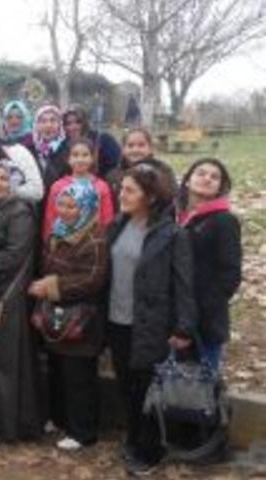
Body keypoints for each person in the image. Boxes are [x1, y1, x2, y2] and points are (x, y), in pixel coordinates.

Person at [105, 164, 197, 475]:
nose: (122, 195)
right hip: (117, 321)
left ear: (151, 197)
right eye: (121, 189)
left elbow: (185, 286)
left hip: (150, 325)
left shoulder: (173, 235)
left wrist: (183, 327)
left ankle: (150, 451)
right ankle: (134, 439)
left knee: (148, 389)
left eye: (129, 190)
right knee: (127, 386)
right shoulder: (117, 224)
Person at [29, 181, 108, 450]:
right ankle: (60, 419)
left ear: (86, 207)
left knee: (79, 377)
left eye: (72, 206)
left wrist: (51, 287)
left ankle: (83, 431)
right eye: (61, 204)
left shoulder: (94, 238)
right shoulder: (57, 231)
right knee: (57, 369)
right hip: (58, 315)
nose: (65, 210)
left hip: (82, 317)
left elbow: (92, 279)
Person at [0, 161, 43, 442]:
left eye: (4, 178)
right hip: (0, 289)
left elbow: (16, 253)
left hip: (11, 293)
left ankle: (9, 426)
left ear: (14, 183)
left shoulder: (19, 210)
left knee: (8, 360)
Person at [177, 158, 242, 370]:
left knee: (200, 393)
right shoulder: (179, 217)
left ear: (220, 187)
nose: (207, 179)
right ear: (187, 180)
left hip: (204, 323)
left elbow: (230, 276)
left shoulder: (224, 221)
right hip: (175, 318)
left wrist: (196, 316)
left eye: (214, 177)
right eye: (201, 173)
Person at [42, 139, 115, 241]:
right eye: (75, 155)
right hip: (63, 243)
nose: (80, 160)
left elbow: (107, 219)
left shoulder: (101, 186)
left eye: (85, 155)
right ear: (68, 159)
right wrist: (48, 241)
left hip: (92, 244)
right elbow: (50, 218)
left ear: (92, 158)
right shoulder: (58, 186)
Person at [106, 127, 178, 203]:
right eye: (130, 146)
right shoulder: (113, 175)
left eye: (141, 145)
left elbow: (171, 198)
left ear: (150, 148)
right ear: (123, 149)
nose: (135, 150)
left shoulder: (163, 171)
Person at [60, 105, 121, 178]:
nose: (73, 127)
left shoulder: (104, 141)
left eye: (78, 122)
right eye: (68, 123)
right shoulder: (62, 147)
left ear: (85, 122)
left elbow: (116, 167)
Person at [31, 105, 68, 190]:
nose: (48, 125)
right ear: (36, 125)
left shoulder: (68, 150)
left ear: (60, 125)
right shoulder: (30, 150)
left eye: (53, 120)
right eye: (43, 121)